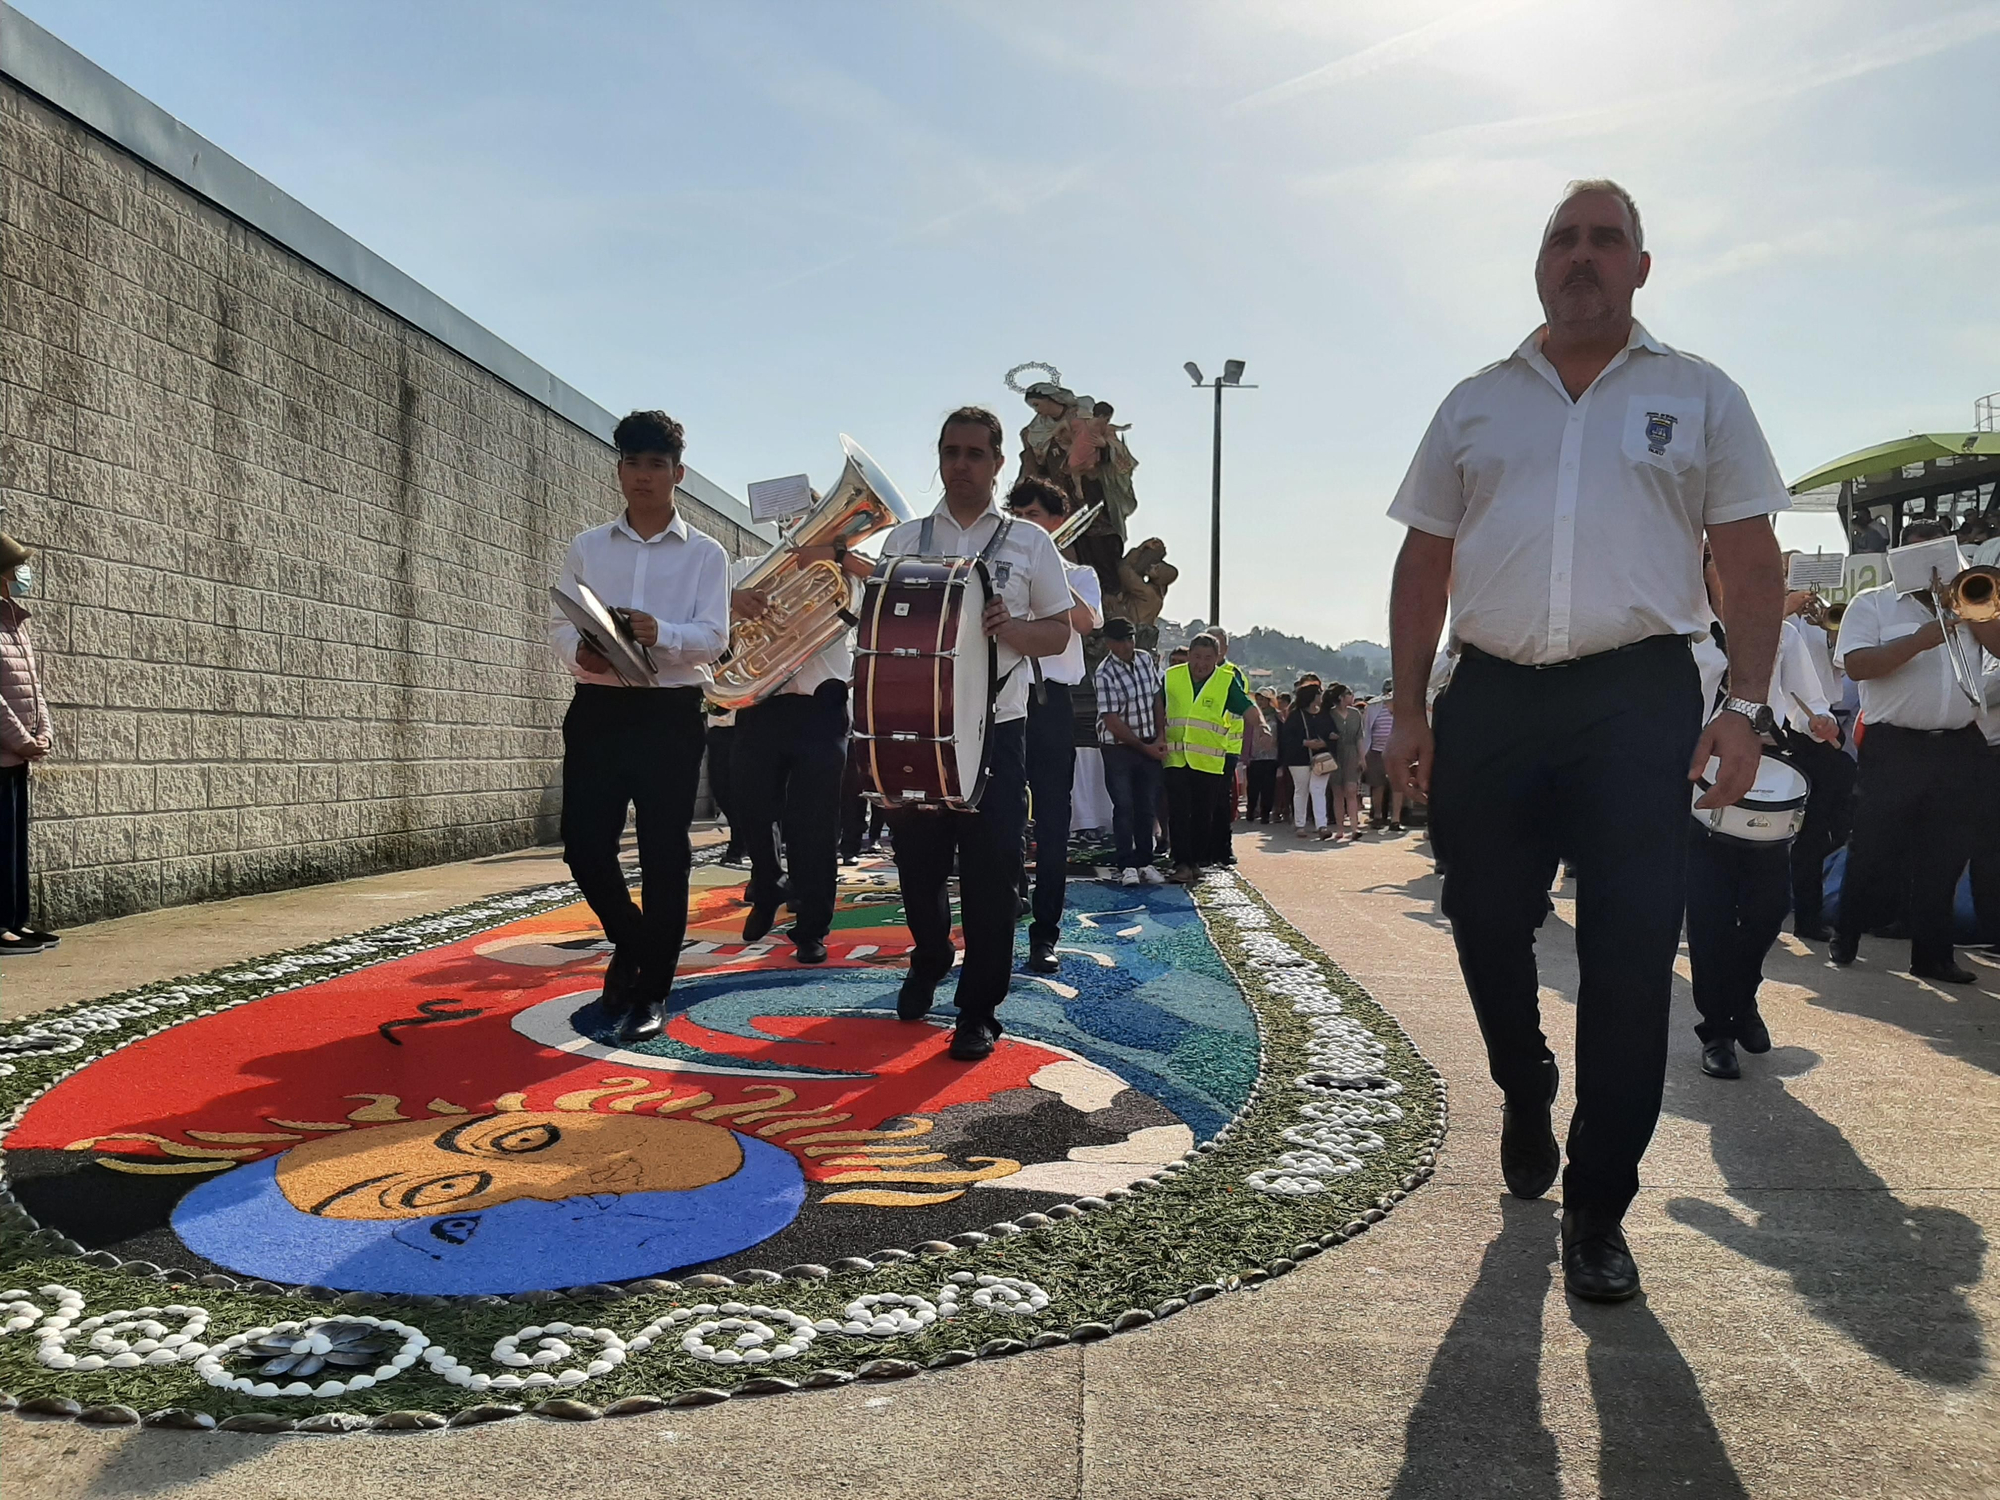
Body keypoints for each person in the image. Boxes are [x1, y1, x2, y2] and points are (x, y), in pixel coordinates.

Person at [1383, 180, 1788, 1302]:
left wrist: (1742, 708)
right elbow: (1424, 564)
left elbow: (1750, 565)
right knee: (1478, 920)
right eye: (1561, 239)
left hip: (1636, 696)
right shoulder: (1474, 402)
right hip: (1494, 695)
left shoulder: (1698, 394)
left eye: (1604, 240)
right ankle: (1523, 1081)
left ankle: (1598, 1209)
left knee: (1624, 956)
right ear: (1536, 266)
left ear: (1639, 269)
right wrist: (1411, 709)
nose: (1580, 256)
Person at [878, 407, 1072, 1061]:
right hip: (916, 732)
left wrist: (1012, 630)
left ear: (996, 464)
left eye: (974, 453)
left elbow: (1060, 629)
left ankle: (978, 1010)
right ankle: (930, 956)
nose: (961, 463)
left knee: (992, 874)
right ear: (940, 457)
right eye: (950, 451)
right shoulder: (902, 539)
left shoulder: (1030, 543)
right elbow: (877, 635)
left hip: (998, 731)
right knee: (918, 867)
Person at [549, 411, 729, 1044]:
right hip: (597, 709)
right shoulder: (588, 546)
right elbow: (561, 627)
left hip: (669, 714)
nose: (643, 476)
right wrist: (584, 652)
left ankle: (652, 989)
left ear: (678, 473)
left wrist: (662, 633)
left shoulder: (707, 553)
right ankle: (634, 944)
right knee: (583, 846)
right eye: (632, 462)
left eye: (657, 464)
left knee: (663, 855)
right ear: (619, 468)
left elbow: (715, 637)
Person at [1684, 541, 1838, 1080]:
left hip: (1768, 777)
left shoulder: (1784, 634)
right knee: (1708, 918)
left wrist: (1821, 719)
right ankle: (1718, 1031)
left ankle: (1741, 998)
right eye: (1715, 562)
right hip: (1700, 785)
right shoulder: (1686, 632)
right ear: (1701, 572)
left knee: (1769, 910)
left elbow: (1811, 696)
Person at [1830, 520, 2000, 981]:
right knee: (1872, 846)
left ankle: (1933, 954)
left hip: (1960, 743)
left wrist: (1975, 612)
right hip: (1895, 744)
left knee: (1946, 853)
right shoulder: (1873, 604)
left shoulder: (1969, 599)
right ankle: (1846, 931)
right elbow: (1857, 665)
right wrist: (1921, 639)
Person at [730, 540, 875, 965]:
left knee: (813, 823)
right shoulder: (749, 567)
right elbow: (713, 617)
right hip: (761, 702)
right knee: (749, 804)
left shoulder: (842, 573)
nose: (798, 531)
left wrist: (837, 558)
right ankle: (769, 881)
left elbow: (879, 595)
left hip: (821, 706)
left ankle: (812, 927)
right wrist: (733, 603)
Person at [1006, 476, 1105, 973]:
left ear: (1057, 522)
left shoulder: (1079, 572)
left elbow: (1087, 622)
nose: (1025, 526)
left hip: (1051, 701)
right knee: (996, 818)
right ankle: (1003, 918)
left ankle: (1045, 934)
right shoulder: (998, 569)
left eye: (1035, 518)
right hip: (1001, 699)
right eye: (1018, 517)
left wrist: (1047, 568)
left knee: (1052, 821)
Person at [0, 536, 56, 955]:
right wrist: (22, 741)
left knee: (15, 844)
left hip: (19, 757)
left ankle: (16, 921)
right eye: (17, 567)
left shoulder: (17, 623)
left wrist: (44, 734)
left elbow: (34, 689)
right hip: (5, 754)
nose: (24, 575)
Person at [1163, 633, 1251, 881]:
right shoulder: (1171, 677)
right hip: (1176, 757)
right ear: (1189, 655)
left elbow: (1246, 707)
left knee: (1204, 813)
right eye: (1197, 657)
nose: (1201, 663)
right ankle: (1181, 862)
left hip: (1209, 761)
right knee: (1179, 812)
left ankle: (1196, 861)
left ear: (1218, 658)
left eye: (1208, 658)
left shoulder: (1226, 680)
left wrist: (1263, 727)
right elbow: (1158, 707)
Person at [1094, 616, 1168, 886]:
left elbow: (1156, 698)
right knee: (1124, 806)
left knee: (1146, 805)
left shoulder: (1146, 660)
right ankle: (1126, 864)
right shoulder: (1104, 674)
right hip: (1119, 748)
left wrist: (1160, 735)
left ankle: (1145, 862)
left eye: (1131, 638)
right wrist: (1143, 747)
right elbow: (1111, 720)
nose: (1128, 645)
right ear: (1109, 643)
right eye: (1121, 641)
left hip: (1148, 739)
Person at [1205, 628, 1263, 867]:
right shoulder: (1196, 672)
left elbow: (1241, 705)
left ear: (1225, 650)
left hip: (1226, 747)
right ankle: (1203, 848)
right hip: (1199, 746)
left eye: (1217, 646)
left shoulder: (1231, 673)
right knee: (1202, 800)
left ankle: (1222, 849)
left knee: (1220, 799)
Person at [1279, 681, 1333, 837]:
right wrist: (1305, 743)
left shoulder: (1324, 714)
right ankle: (1300, 824)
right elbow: (1287, 738)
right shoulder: (1295, 716)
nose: (1321, 696)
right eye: (1319, 693)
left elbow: (1332, 732)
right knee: (1301, 790)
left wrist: (1326, 741)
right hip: (1298, 758)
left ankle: (1321, 825)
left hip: (1321, 757)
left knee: (1318, 790)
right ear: (1312, 696)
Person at [705, 702, 744, 865]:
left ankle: (738, 844)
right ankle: (741, 838)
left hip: (742, 728)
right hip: (717, 730)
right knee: (719, 788)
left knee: (740, 790)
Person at [1363, 678, 1405, 830]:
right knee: (1377, 785)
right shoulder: (1375, 707)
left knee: (1398, 786)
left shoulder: (1403, 708)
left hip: (1397, 752)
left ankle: (1395, 819)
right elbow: (1367, 730)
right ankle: (1378, 816)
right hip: (1376, 751)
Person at [1328, 683, 1367, 840]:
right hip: (1335, 754)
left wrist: (1362, 757)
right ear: (1341, 697)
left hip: (1351, 753)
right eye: (1348, 694)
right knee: (1337, 793)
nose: (1352, 696)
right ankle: (1339, 828)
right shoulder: (1330, 714)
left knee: (1351, 790)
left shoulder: (1355, 714)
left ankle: (1354, 827)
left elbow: (1359, 737)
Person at [1245, 690, 1281, 822]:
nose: (1260, 702)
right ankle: (1251, 810)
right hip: (1254, 756)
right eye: (1258, 699)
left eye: (1263, 699)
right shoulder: (1251, 715)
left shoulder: (1277, 716)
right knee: (1253, 787)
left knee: (1268, 787)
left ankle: (1266, 814)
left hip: (1271, 756)